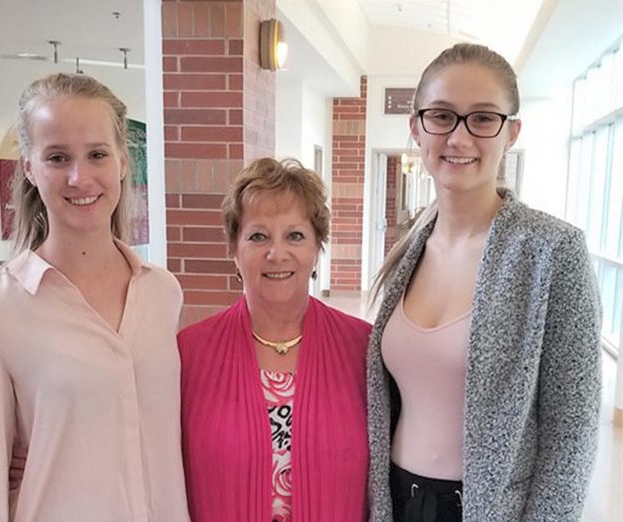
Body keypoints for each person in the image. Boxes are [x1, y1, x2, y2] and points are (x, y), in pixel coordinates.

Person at [367, 43, 602, 522]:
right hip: (396, 501)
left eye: (482, 118)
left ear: (511, 132)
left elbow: (571, 430)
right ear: (416, 127)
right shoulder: (410, 249)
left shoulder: (552, 252)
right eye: (442, 116)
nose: (459, 137)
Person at [0, 73, 190, 521]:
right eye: (58, 157)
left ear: (121, 161)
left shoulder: (162, 292)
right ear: (29, 168)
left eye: (97, 154)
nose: (80, 177)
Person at [178, 158, 372, 522]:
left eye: (295, 235)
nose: (276, 253)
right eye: (258, 236)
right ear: (234, 250)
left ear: (317, 248)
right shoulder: (188, 355)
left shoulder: (362, 349)